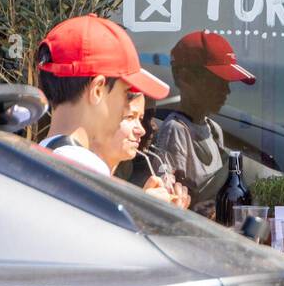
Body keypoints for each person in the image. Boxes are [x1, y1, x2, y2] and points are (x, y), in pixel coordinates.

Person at [34, 14, 170, 176]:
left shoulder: (39, 154)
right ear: (97, 90)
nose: (126, 107)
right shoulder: (86, 170)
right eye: (126, 93)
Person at [153, 30, 256, 211]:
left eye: (227, 84)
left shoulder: (213, 129)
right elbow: (168, 204)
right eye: (218, 82)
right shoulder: (175, 130)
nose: (226, 91)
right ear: (185, 78)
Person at [89, 90, 190, 208]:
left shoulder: (123, 169)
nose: (142, 130)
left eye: (141, 119)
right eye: (130, 117)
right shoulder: (78, 169)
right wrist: (142, 206)